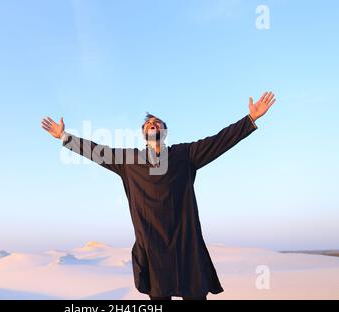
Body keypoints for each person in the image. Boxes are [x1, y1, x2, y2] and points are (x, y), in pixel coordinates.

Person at [41, 92, 276, 300]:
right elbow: (97, 152)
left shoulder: (185, 155)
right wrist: (65, 137)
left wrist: (250, 120)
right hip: (153, 251)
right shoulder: (129, 161)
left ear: (164, 131)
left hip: (186, 247)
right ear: (144, 134)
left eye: (156, 122)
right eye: (148, 123)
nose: (152, 124)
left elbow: (219, 141)